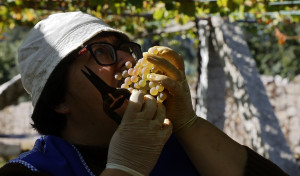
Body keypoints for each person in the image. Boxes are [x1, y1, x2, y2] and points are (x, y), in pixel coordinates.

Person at [0, 11, 288, 176]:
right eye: (102, 52)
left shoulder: (179, 144)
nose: (129, 60)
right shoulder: (29, 172)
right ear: (59, 100)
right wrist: (124, 168)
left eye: (127, 49)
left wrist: (189, 124)